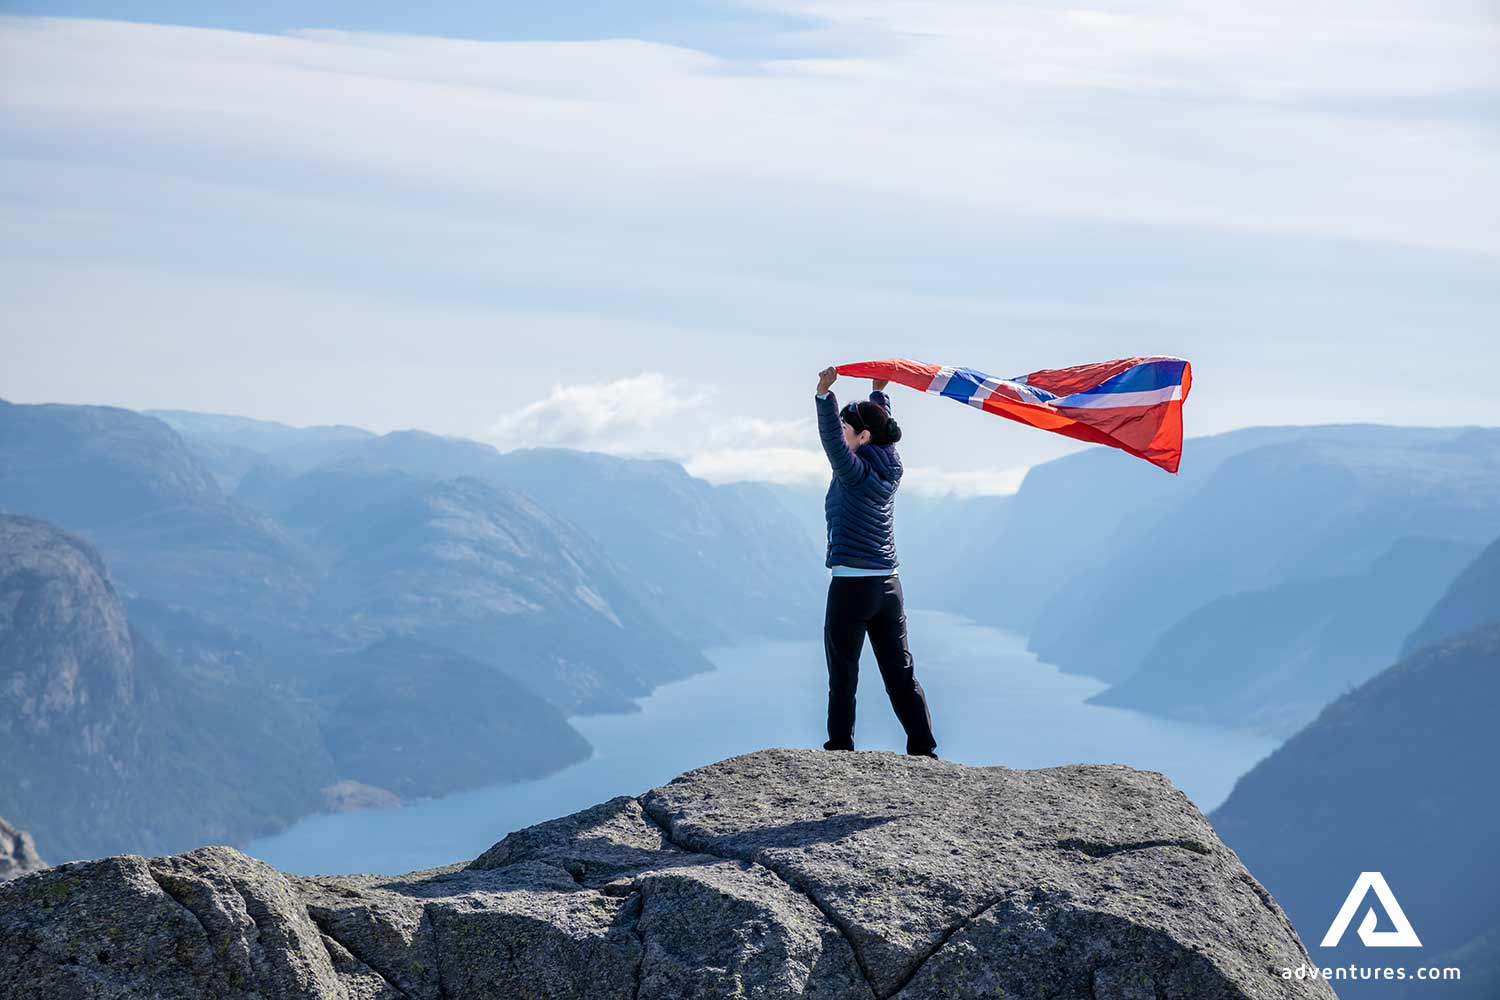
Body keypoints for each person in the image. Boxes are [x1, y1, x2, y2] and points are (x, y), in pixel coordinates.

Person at [814, 365, 938, 759]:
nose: (841, 431)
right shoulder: (890, 462)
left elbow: (831, 440)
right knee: (901, 675)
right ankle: (923, 748)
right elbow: (880, 428)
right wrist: (878, 393)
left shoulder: (853, 472)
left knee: (843, 673)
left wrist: (823, 395)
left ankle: (840, 748)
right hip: (889, 587)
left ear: (863, 437)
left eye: (847, 427)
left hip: (852, 587)